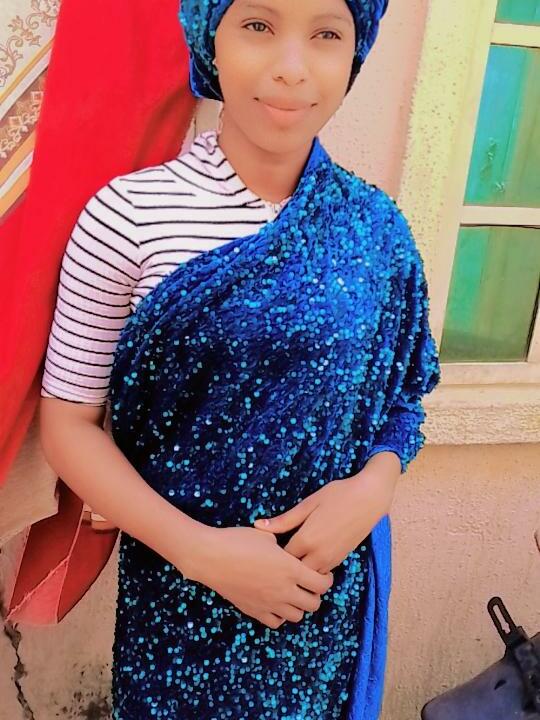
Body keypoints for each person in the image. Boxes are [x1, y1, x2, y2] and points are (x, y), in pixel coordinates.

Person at [39, 0, 441, 718]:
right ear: (209, 38)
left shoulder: (377, 228)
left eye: (326, 34)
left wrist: (373, 487)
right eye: (258, 25)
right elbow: (68, 424)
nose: (291, 68)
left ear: (355, 51)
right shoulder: (128, 216)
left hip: (326, 605)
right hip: (178, 610)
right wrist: (200, 552)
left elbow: (403, 397)